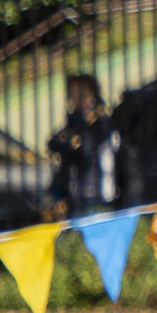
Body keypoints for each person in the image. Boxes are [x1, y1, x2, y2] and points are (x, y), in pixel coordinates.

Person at [48, 73, 118, 216]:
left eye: (82, 94)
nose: (78, 100)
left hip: (99, 194)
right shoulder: (73, 125)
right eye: (74, 95)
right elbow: (53, 143)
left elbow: (91, 152)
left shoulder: (102, 123)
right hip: (76, 197)